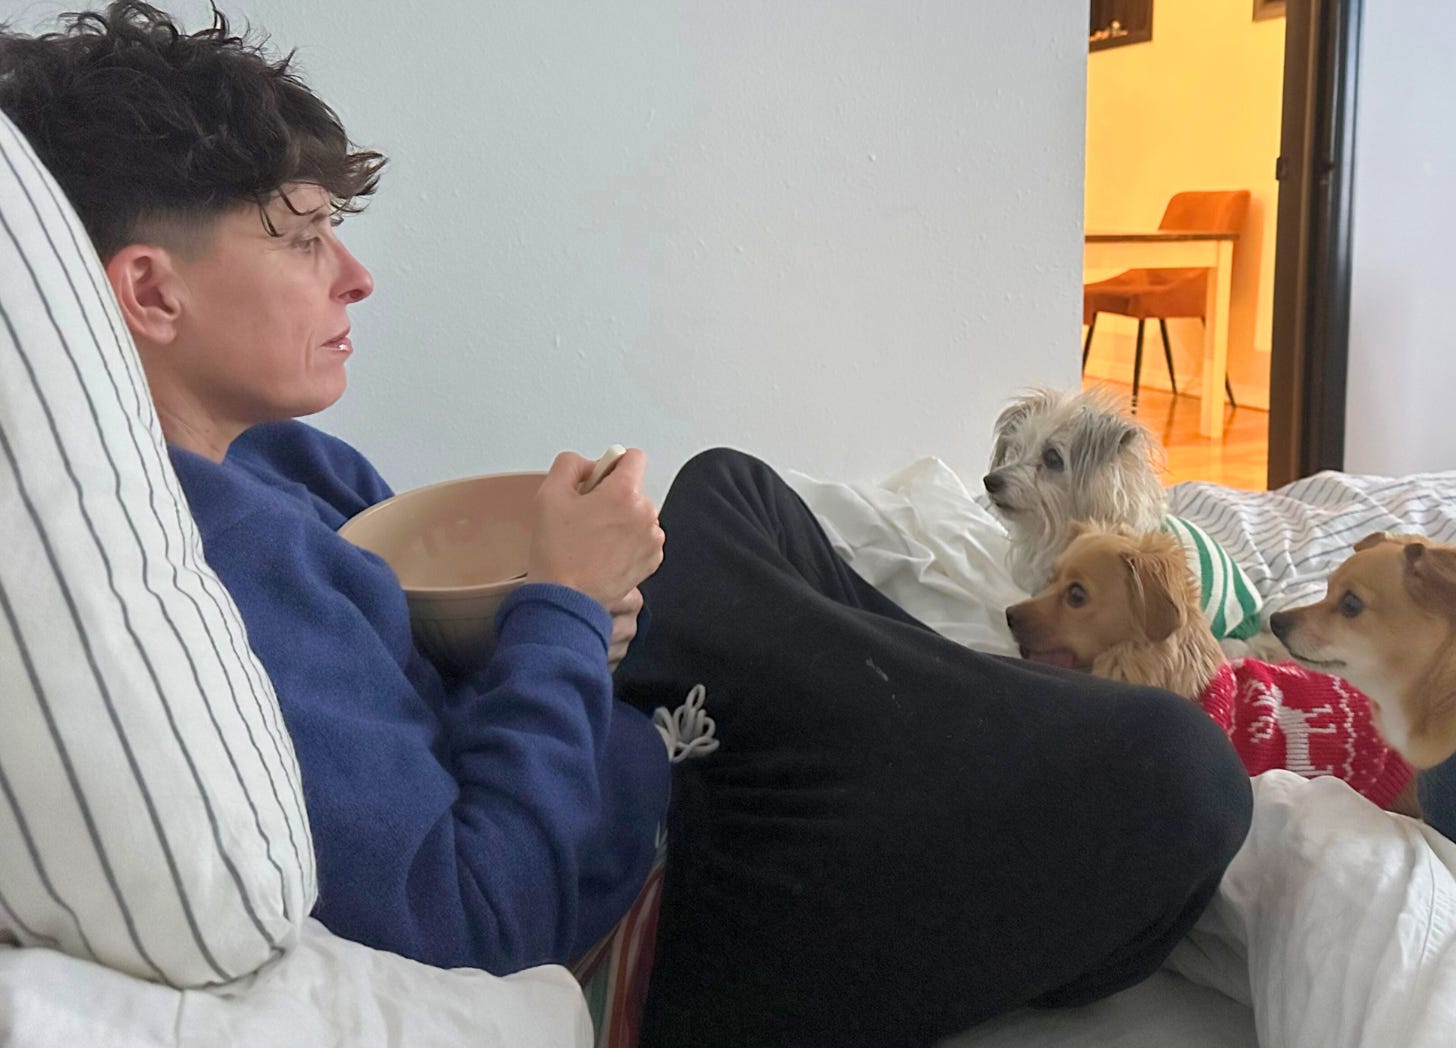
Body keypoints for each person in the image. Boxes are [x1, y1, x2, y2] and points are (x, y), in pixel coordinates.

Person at [0, 5, 1254, 1046]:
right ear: (151, 291)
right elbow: (479, 920)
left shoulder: (279, 456)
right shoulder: (197, 574)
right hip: (659, 900)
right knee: (1173, 773)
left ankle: (974, 724)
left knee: (727, 491)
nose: (355, 276)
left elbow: (436, 657)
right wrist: (555, 605)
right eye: (306, 234)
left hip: (628, 746)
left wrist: (568, 601)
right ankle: (1012, 744)